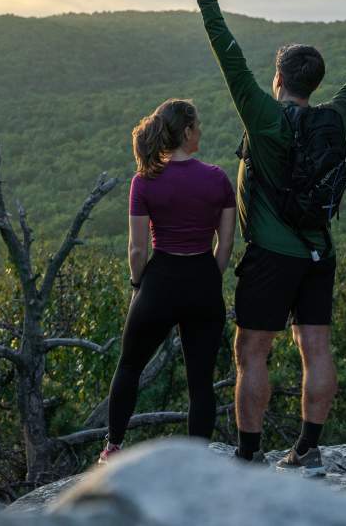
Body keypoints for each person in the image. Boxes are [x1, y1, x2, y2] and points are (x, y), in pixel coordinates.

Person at [195, 0, 346, 475]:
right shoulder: (335, 116)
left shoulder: (263, 119)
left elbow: (231, 62)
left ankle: (248, 456)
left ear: (279, 77)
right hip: (318, 251)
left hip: (271, 256)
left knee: (252, 351)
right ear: (317, 82)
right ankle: (308, 451)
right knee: (316, 347)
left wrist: (208, 3)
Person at [98, 98, 236, 464]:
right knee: (201, 383)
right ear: (187, 131)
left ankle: (113, 447)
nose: (201, 131)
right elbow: (226, 244)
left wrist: (137, 287)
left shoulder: (144, 181)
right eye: (198, 126)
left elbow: (137, 249)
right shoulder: (218, 178)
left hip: (159, 282)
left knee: (129, 366)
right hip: (203, 280)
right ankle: (198, 462)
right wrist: (209, 276)